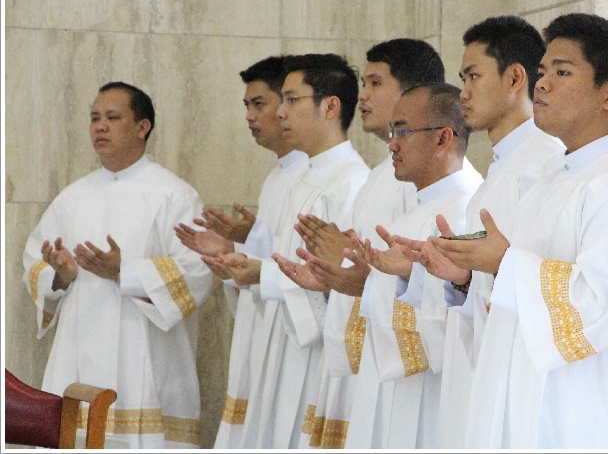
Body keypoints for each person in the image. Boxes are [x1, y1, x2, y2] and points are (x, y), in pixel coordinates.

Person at [421, 13, 608, 448]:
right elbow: (522, 290)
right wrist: (467, 276)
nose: (542, 84)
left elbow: (602, 305)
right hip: (536, 406)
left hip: (592, 417)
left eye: (562, 72)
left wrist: (505, 264)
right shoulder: (553, 177)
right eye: (542, 72)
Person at [393, 15, 565, 448]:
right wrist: (461, 278)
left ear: (515, 79)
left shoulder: (543, 165)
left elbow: (548, 292)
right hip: (483, 371)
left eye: (473, 76)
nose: (463, 93)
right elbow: (494, 284)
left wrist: (490, 271)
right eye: (462, 79)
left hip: (519, 383)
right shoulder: (503, 170)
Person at [273, 39, 446, 448]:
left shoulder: (419, 182)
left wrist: (356, 275)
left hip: (394, 368)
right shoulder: (382, 175)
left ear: (413, 92)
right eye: (364, 83)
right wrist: (333, 277)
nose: (362, 95)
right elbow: (367, 272)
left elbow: (421, 283)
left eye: (375, 83)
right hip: (366, 352)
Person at [22, 82, 213, 448]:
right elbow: (34, 262)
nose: (100, 126)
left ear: (142, 127)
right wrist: (60, 276)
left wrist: (125, 272)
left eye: (112, 117)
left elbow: (198, 271)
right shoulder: (72, 197)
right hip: (78, 348)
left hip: (147, 354)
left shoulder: (174, 195)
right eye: (94, 118)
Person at [205, 53, 370, 448]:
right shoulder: (300, 179)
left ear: (330, 106)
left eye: (292, 100)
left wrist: (261, 273)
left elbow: (339, 284)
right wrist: (245, 261)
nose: (281, 112)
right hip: (280, 339)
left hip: (312, 352)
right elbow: (289, 261)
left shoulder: (351, 184)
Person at [172, 56, 309, 448]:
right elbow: (274, 256)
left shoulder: (315, 178)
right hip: (261, 332)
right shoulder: (278, 177)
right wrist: (234, 250)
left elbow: (309, 268)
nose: (250, 116)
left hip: (293, 342)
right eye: (247, 106)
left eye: (259, 104)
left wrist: (247, 253)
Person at [345, 82, 482, 448]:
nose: (392, 144)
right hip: (393, 391)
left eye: (403, 132)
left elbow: (464, 322)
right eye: (393, 132)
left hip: (432, 400)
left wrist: (410, 276)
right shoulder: (416, 210)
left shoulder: (465, 212)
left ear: (442, 139)